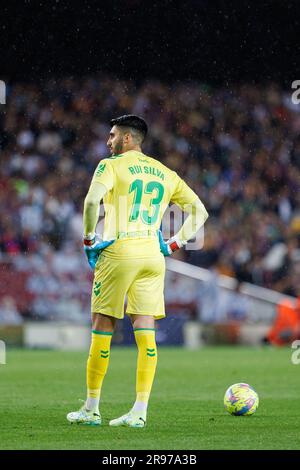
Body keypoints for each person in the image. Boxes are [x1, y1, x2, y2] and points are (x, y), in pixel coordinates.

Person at [67, 114, 208, 427]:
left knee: (102, 326)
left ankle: (91, 409)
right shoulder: (165, 172)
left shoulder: (110, 165)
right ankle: (140, 411)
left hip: (119, 251)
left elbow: (92, 203)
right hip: (152, 257)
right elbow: (200, 211)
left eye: (113, 135)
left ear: (128, 139)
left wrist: (89, 239)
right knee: (146, 333)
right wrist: (173, 244)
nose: (108, 141)